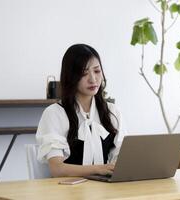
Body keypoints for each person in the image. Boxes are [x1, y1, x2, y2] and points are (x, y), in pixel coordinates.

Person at [36, 44, 125, 177]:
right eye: (84, 73)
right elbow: (57, 169)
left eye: (97, 71)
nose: (93, 79)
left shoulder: (112, 111)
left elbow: (122, 157)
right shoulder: (55, 113)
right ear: (71, 76)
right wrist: (98, 169)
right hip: (67, 193)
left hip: (106, 192)